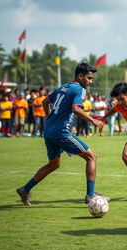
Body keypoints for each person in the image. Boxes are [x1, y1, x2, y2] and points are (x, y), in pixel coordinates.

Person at [16, 62, 109, 206]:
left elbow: (45, 102)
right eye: (89, 78)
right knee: (92, 157)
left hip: (49, 132)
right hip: (61, 133)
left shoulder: (63, 87)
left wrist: (49, 119)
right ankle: (90, 196)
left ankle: (25, 189)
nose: (91, 82)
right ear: (80, 76)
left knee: (53, 165)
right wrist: (93, 120)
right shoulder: (79, 89)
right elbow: (76, 109)